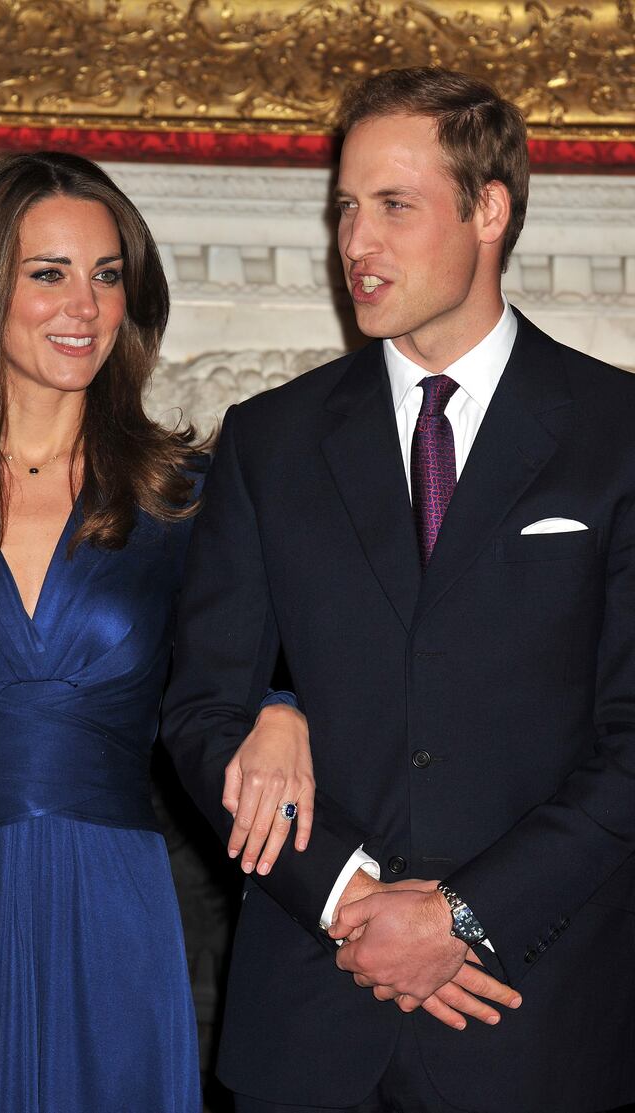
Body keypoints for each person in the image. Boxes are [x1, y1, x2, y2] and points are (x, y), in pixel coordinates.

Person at [161, 66, 635, 1113]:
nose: (355, 244)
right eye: (343, 208)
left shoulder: (615, 435)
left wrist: (460, 917)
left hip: (533, 1021)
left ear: (487, 209)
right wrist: (347, 900)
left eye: (391, 206)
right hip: (308, 1023)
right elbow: (201, 713)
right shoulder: (267, 443)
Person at [0, 150, 314, 1113]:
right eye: (48, 273)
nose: (85, 308)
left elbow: (273, 660)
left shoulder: (187, 499)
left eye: (106, 276)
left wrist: (284, 708)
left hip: (117, 916)